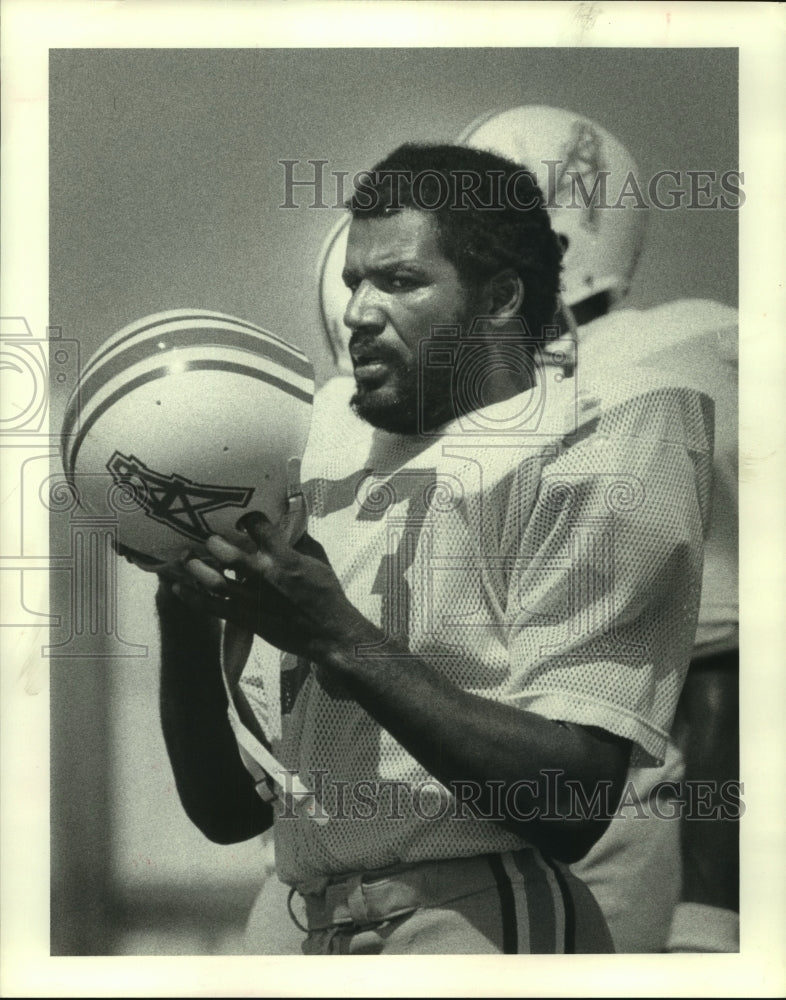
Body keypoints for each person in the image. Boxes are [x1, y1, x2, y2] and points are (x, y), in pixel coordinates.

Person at [154, 143, 714, 955]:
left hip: (479, 920)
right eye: (354, 283)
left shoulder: (599, 437)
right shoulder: (320, 460)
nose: (357, 313)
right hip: (304, 924)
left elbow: (572, 802)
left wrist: (337, 637)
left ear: (500, 298)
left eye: (400, 281)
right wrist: (184, 618)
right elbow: (229, 813)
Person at [458, 105, 740, 953]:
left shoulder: (657, 365)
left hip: (622, 832)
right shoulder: (697, 344)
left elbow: (721, 673)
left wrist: (712, 913)